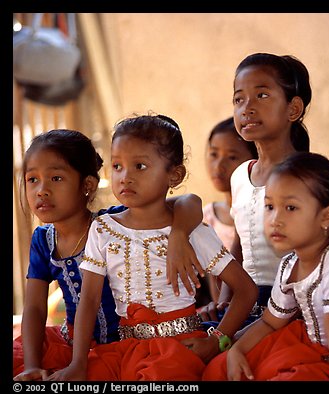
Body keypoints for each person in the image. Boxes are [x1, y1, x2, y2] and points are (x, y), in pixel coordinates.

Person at [47, 114, 257, 381]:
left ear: (174, 174)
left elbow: (246, 290)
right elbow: (88, 301)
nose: (125, 177)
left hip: (179, 348)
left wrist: (217, 340)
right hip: (124, 349)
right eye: (117, 166)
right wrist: (78, 362)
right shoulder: (103, 229)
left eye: (140, 166)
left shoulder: (192, 232)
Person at [13, 129, 205, 381]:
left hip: (129, 344)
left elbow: (189, 201)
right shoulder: (43, 240)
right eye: (32, 180)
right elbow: (36, 308)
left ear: (88, 185)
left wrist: (179, 233)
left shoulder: (115, 224)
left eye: (56, 178)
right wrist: (31, 364)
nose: (41, 190)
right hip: (73, 344)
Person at [204, 152, 329, 381]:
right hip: (314, 349)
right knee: (221, 367)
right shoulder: (289, 264)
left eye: (291, 208)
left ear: (326, 216)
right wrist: (236, 350)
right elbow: (268, 322)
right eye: (270, 206)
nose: (275, 219)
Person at [217, 52, 313, 330]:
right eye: (239, 99)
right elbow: (240, 240)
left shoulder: (306, 174)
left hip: (293, 308)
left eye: (261, 96)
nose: (247, 107)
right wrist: (226, 296)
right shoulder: (240, 175)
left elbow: (313, 253)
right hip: (245, 302)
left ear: (293, 109)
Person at [198, 117, 257, 310]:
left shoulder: (263, 214)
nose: (218, 165)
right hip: (221, 309)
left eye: (232, 157)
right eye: (214, 154)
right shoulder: (205, 217)